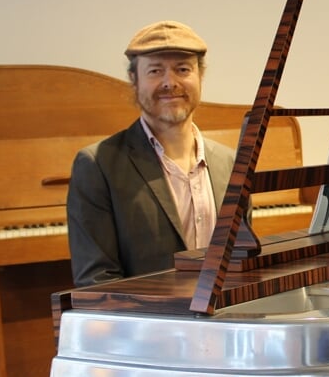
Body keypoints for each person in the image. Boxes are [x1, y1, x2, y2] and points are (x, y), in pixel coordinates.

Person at [67, 20, 236, 286]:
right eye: (155, 71)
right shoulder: (98, 164)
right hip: (148, 325)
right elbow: (96, 281)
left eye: (183, 69)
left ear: (200, 77)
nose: (170, 82)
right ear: (134, 80)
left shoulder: (231, 162)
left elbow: (241, 262)